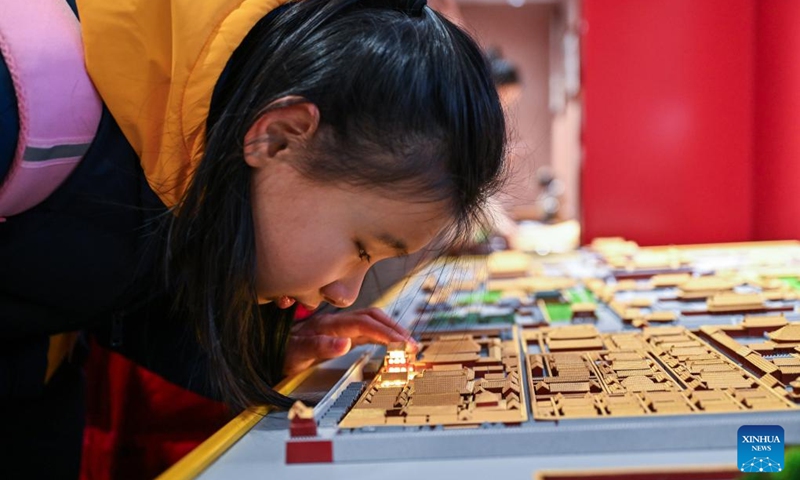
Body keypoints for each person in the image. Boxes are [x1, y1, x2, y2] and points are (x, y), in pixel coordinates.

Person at [0, 0, 506, 476]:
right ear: (279, 137)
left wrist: (264, 348)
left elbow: (108, 281)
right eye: (361, 248)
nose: (344, 294)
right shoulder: (18, 95)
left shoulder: (176, 158)